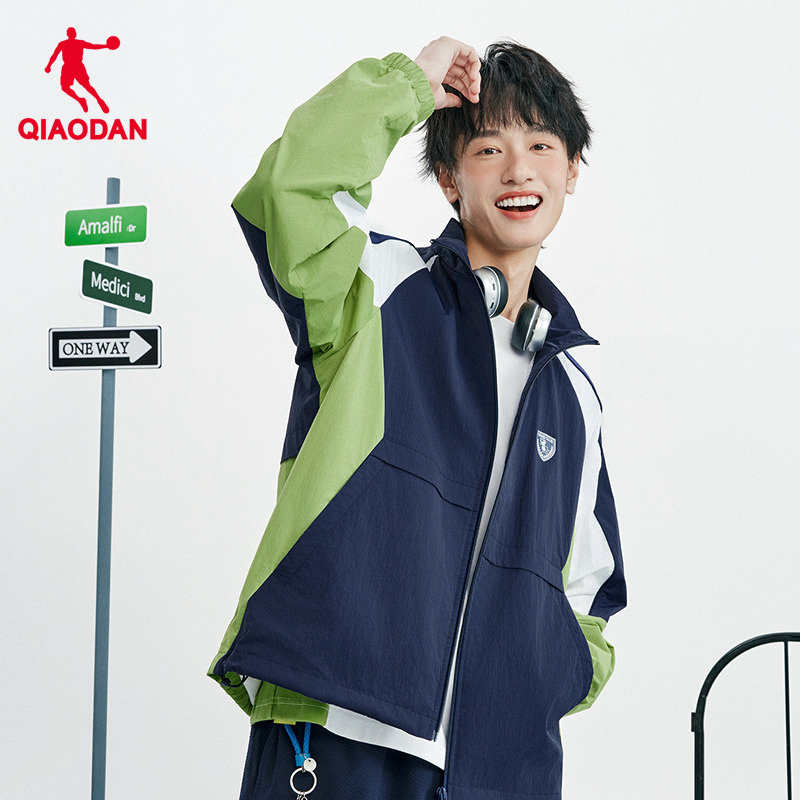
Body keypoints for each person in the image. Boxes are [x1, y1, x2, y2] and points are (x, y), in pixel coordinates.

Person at [209, 35, 626, 800]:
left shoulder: (574, 390)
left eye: (541, 145)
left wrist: (542, 679)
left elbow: (588, 592)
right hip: (337, 727)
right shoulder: (380, 288)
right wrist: (405, 86)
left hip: (496, 771)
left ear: (572, 170)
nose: (519, 169)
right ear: (448, 179)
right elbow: (289, 193)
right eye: (489, 148)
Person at [44, 27, 111, 114]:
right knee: (66, 88)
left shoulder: (79, 43)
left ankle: (99, 100)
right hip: (68, 67)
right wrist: (48, 66)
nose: (72, 34)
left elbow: (93, 46)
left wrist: (106, 46)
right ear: (69, 34)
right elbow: (55, 55)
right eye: (71, 32)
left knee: (86, 86)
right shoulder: (63, 43)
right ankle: (81, 100)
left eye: (73, 32)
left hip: (77, 66)